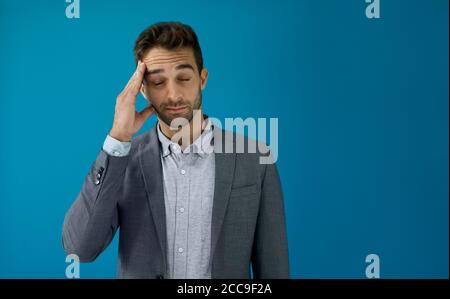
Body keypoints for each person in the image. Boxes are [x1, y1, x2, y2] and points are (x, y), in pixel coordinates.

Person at [62, 21, 289, 279]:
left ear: (202, 79)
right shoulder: (122, 161)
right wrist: (118, 137)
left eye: (183, 78)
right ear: (143, 90)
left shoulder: (256, 160)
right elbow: (80, 248)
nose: (173, 95)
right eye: (158, 82)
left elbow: (274, 270)